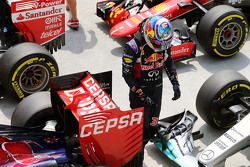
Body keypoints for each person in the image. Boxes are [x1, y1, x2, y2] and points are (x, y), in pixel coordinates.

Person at [122, 15, 181, 158]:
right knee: (140, 128)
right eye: (158, 45)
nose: (160, 48)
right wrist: (141, 95)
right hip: (139, 92)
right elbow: (127, 75)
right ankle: (136, 157)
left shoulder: (163, 41)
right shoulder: (132, 47)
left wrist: (175, 83)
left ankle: (147, 139)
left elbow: (169, 62)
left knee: (152, 126)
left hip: (156, 89)